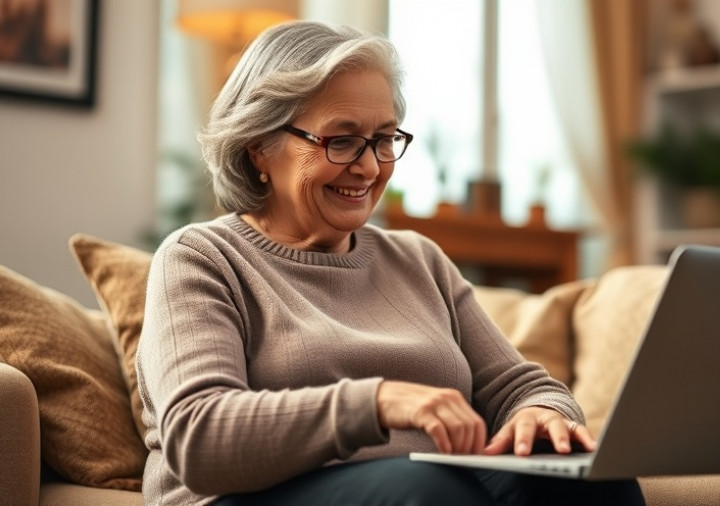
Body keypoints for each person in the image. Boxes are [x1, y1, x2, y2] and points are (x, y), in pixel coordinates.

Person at [135, 20, 645, 506]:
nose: (370, 165)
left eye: (384, 139)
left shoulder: (417, 259)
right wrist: (377, 402)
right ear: (259, 149)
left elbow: (519, 385)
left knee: (592, 479)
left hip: (425, 487)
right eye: (341, 140)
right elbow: (198, 437)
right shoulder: (200, 258)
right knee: (426, 493)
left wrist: (542, 412)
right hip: (247, 496)